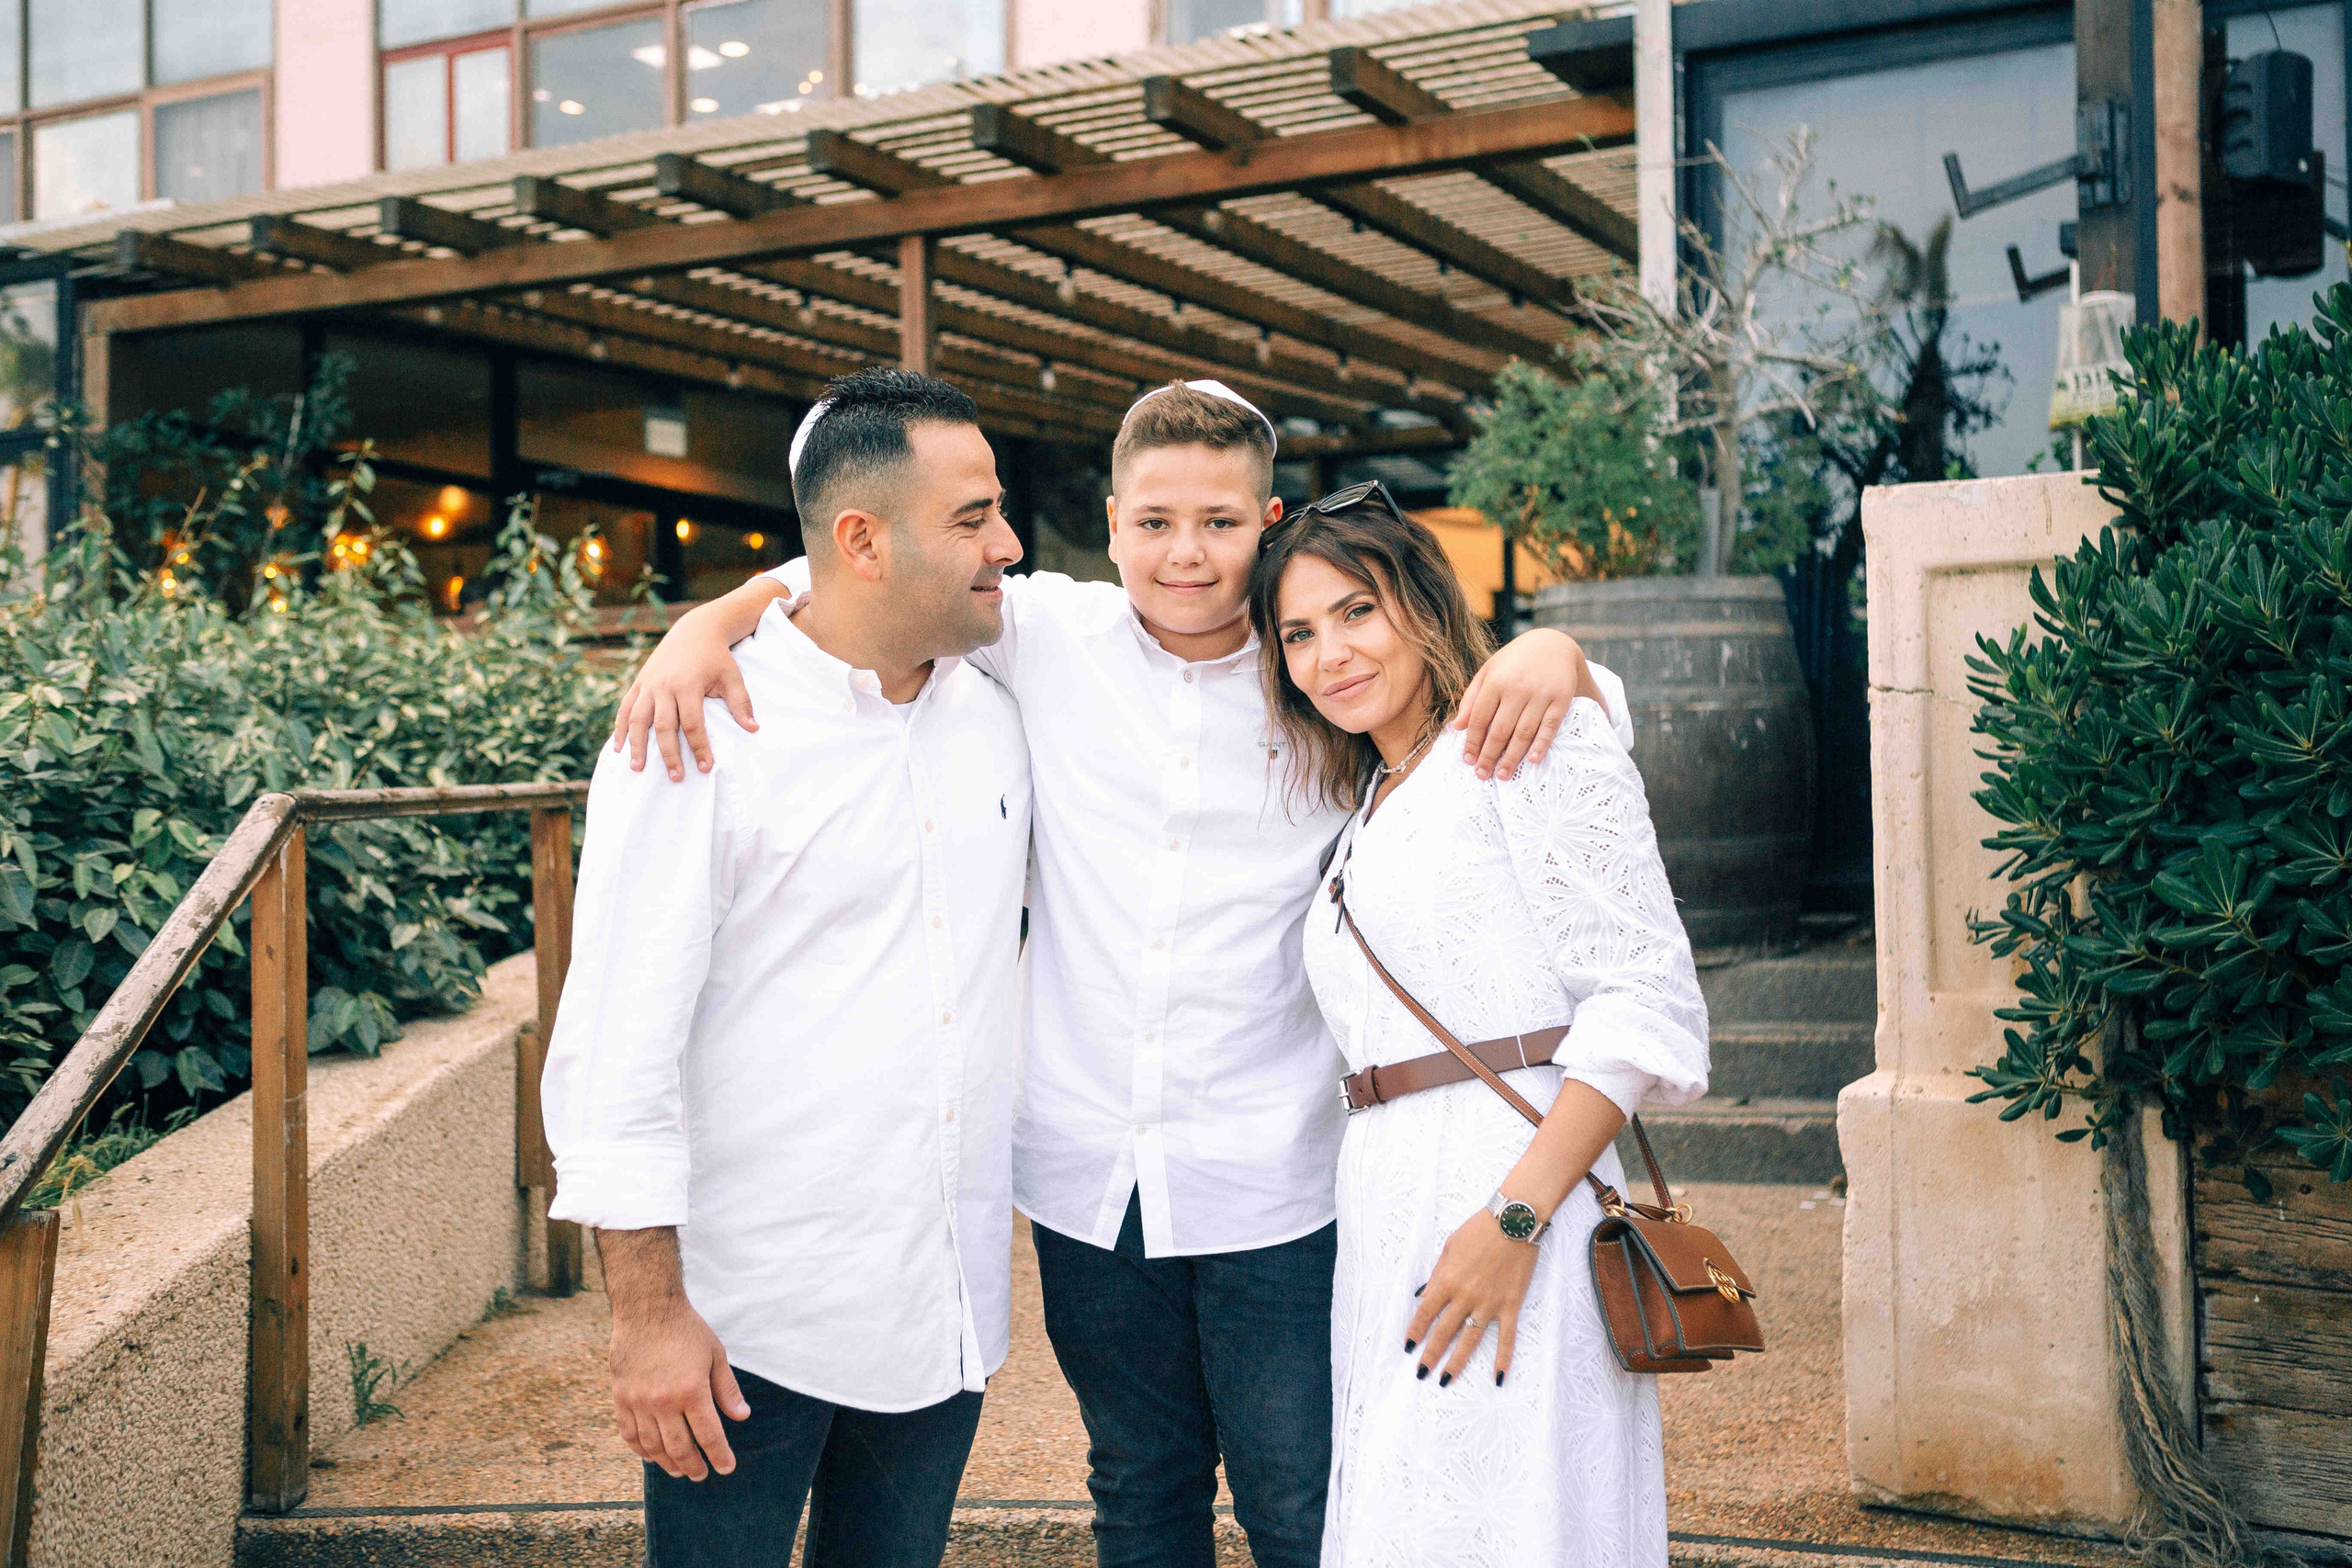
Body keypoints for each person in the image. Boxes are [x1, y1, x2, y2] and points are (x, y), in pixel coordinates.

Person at [609, 382, 1621, 1568]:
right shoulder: (1045, 631)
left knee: (1302, 1498)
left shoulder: (1322, 672)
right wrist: (706, 625)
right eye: (1153, 523)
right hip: (1088, 1183)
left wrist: (1557, 648)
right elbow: (860, 566)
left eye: (1219, 523)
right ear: (1111, 522)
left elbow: (1493, 711)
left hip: (1278, 1176)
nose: (1184, 553)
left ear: (1268, 523)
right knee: (1138, 1490)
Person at [539, 367, 1032, 1568]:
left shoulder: (1003, 703)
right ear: (862, 540)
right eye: (974, 518)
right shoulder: (696, 728)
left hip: (943, 1302)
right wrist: (647, 1316)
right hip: (746, 1321)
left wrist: (726, 602)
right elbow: (615, 1038)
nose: (1008, 546)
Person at [1250, 482, 1709, 1567]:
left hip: (1511, 1194)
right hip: (1388, 1210)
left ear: (1420, 603)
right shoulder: (1366, 804)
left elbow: (1642, 1001)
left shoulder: (1519, 741)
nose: (1329, 654)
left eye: (1355, 611)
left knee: (1510, 1518)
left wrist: (1513, 1221)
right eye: (1298, 634)